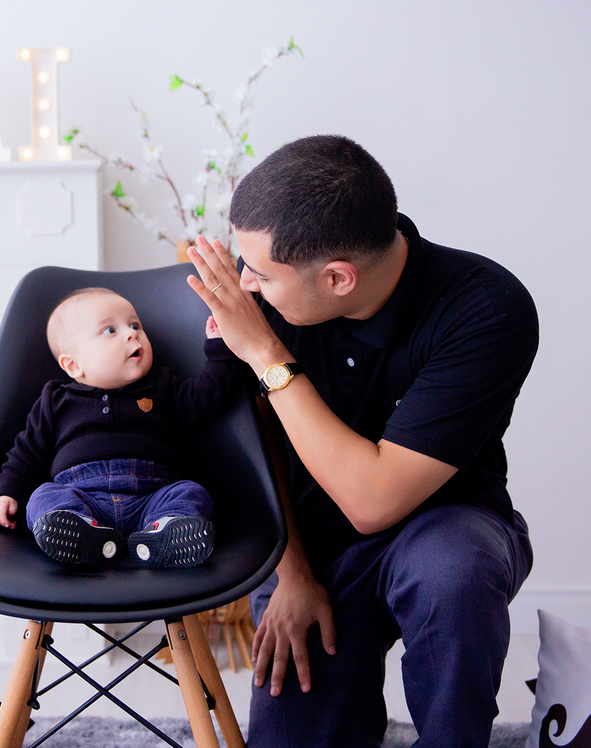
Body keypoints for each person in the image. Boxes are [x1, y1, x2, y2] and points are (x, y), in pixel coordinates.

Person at [185, 135, 537, 747]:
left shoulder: (485, 308)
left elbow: (375, 500)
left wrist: (267, 355)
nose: (245, 285)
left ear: (338, 277)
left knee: (452, 574)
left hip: (445, 525)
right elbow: (254, 451)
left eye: (261, 273)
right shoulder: (265, 302)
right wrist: (290, 573)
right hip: (307, 542)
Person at [0, 287, 239, 568]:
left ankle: (163, 533)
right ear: (73, 365)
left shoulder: (163, 387)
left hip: (152, 496)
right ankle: (82, 534)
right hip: (82, 497)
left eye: (135, 325)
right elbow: (26, 452)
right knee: (42, 497)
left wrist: (220, 347)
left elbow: (208, 395)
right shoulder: (56, 399)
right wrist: (8, 490)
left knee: (191, 492)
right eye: (110, 330)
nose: (132, 333)